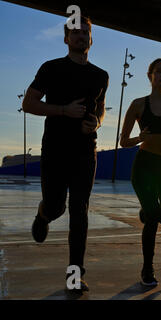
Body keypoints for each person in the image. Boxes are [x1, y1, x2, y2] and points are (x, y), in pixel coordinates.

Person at [22, 16, 109, 293]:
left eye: (86, 32)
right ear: (66, 38)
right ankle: (44, 213)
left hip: (86, 151)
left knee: (79, 210)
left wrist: (96, 123)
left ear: (91, 39)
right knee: (57, 205)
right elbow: (29, 103)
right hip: (56, 149)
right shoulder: (51, 68)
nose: (81, 36)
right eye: (75, 32)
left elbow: (102, 110)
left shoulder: (101, 75)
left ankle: (75, 275)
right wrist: (62, 110)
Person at [120, 58, 161, 287]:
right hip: (144, 167)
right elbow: (124, 141)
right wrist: (140, 138)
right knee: (153, 221)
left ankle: (146, 212)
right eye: (158, 71)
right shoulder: (138, 104)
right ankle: (147, 269)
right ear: (150, 75)